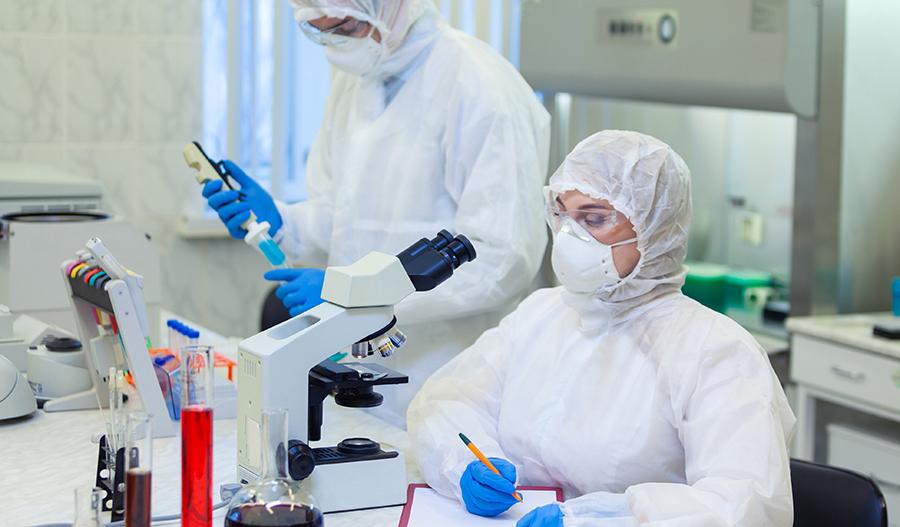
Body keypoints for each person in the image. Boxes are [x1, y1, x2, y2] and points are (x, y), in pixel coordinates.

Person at [407, 130, 796, 526]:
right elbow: (451, 400)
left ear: (654, 227)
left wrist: (599, 520)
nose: (569, 237)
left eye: (593, 219)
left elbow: (745, 507)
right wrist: (466, 465)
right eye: (563, 215)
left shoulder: (716, 351)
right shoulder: (541, 314)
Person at [201, 0, 550, 426]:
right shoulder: (359, 82)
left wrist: (361, 298)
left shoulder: (481, 87)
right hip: (357, 370)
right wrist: (280, 221)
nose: (335, 46)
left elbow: (501, 257)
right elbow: (344, 215)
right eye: (320, 30)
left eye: (345, 27)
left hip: (447, 375)